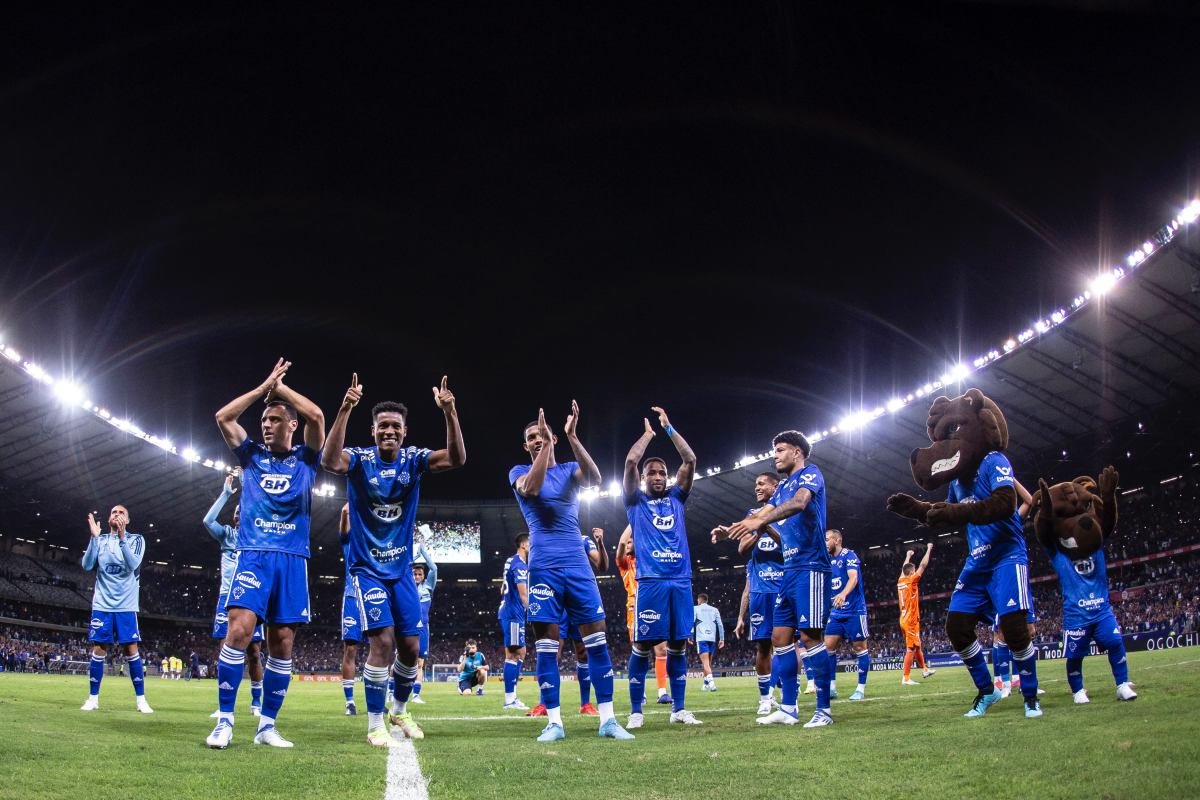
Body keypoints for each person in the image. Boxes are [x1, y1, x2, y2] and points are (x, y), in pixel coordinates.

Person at [321, 373, 465, 747]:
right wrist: (345, 408)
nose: (389, 431)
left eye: (395, 426)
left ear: (404, 431)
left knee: (412, 648)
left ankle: (399, 709)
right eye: (382, 425)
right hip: (367, 569)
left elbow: (456, 458)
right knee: (381, 642)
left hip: (401, 571)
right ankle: (373, 723)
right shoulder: (360, 460)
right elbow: (329, 460)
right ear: (373, 430)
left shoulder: (414, 460)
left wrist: (450, 412)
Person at [206, 358, 325, 749]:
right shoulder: (251, 456)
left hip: (292, 559)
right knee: (238, 630)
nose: (266, 425)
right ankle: (224, 721)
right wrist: (263, 388)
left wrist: (282, 392)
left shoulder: (307, 460)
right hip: (254, 553)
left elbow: (318, 416)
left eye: (274, 420)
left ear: (291, 425)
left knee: (283, 644)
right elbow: (224, 417)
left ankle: (267, 726)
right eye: (264, 421)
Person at [509, 402, 634, 741]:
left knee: (597, 642)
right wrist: (547, 446)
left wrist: (572, 436)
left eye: (542, 435)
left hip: (578, 568)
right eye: (532, 437)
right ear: (526, 445)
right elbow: (531, 489)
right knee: (547, 646)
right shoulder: (519, 471)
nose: (538, 439)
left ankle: (607, 720)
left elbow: (595, 478)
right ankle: (554, 723)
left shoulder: (568, 471)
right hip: (544, 569)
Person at [723, 430, 833, 728]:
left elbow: (799, 504)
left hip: (811, 566)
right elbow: (763, 512)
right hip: (789, 570)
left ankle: (823, 710)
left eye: (780, 450)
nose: (775, 455)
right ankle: (788, 708)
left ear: (796, 452)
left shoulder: (810, 474)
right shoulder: (782, 487)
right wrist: (737, 526)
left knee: (810, 638)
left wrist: (759, 520)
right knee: (779, 638)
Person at [621, 408, 702, 729]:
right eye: (651, 472)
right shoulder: (634, 503)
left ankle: (679, 709)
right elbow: (629, 462)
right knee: (642, 646)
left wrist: (668, 428)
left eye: (661, 472)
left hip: (681, 581)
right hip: (651, 581)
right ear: (643, 479)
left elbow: (690, 460)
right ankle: (636, 712)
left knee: (679, 644)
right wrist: (648, 435)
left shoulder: (677, 498)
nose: (657, 476)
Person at [1034, 469, 1136, 704]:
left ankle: (1122, 684)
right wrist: (1046, 512)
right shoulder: (1059, 553)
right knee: (1075, 655)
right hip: (1076, 615)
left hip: (1101, 610)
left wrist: (1108, 499)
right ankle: (1078, 691)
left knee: (1115, 643)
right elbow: (1045, 534)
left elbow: (1107, 524)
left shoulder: (1096, 544)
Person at [526, 529, 607, 718]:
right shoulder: (546, 538)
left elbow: (601, 564)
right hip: (556, 602)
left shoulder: (583, 540)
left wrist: (601, 543)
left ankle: (585, 703)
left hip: (578, 599)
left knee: (583, 652)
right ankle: (545, 704)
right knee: (552, 652)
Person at [80, 505, 153, 714]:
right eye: (114, 512)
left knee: (131, 650)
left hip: (126, 606)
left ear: (127, 520)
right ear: (109, 518)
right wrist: (93, 538)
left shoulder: (136, 539)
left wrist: (122, 538)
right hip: (102, 604)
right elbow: (86, 566)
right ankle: (93, 699)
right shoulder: (100, 540)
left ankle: (141, 701)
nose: (117, 515)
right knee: (99, 650)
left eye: (121, 513)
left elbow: (133, 564)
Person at [203, 471, 265, 717]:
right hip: (227, 599)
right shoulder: (227, 534)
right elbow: (208, 521)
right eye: (236, 511)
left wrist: (250, 486)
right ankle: (224, 706)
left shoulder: (258, 536)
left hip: (251, 599)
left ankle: (256, 702)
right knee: (226, 650)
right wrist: (225, 494)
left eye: (242, 510)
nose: (238, 514)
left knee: (254, 653)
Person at [722, 471, 784, 715]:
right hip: (760, 591)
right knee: (763, 647)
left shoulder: (786, 512)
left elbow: (787, 544)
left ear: (774, 486)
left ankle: (790, 695)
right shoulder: (751, 515)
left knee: (788, 644)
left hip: (784, 588)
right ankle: (765, 698)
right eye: (755, 484)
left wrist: (765, 524)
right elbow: (741, 547)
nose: (756, 488)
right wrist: (758, 526)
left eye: (761, 484)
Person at [616, 526, 671, 706]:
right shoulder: (624, 563)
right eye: (630, 542)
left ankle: (662, 692)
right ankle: (642, 693)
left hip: (654, 604)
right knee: (640, 651)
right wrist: (634, 522)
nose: (630, 543)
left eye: (634, 541)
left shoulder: (647, 559)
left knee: (662, 649)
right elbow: (622, 542)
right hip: (634, 606)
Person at [824, 529, 870, 701]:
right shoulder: (827, 559)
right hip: (836, 613)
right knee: (828, 647)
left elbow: (853, 578)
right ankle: (832, 688)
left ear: (837, 540)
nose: (825, 542)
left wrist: (843, 594)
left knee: (860, 648)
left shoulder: (849, 555)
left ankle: (860, 689)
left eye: (827, 539)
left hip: (854, 611)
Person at [498, 533, 531, 710]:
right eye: (531, 543)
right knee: (513, 654)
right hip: (513, 613)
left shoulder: (510, 561)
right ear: (524, 545)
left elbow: (502, 587)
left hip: (510, 610)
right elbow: (523, 593)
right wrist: (533, 612)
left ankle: (513, 697)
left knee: (521, 652)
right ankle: (510, 700)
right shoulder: (520, 565)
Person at [897, 544, 936, 685]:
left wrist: (908, 555)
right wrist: (929, 549)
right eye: (913, 571)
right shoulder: (911, 580)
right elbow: (923, 565)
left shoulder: (901, 580)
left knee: (917, 646)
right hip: (910, 620)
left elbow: (903, 568)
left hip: (904, 618)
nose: (915, 572)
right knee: (911, 648)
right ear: (911, 572)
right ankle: (905, 678)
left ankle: (925, 669)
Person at [338, 503, 361, 715]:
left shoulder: (374, 538)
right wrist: (348, 509)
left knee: (382, 647)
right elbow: (344, 525)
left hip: (374, 597)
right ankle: (350, 701)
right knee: (351, 648)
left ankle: (378, 697)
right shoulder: (350, 542)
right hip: (353, 597)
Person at [409, 534, 438, 704]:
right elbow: (404, 567)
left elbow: (433, 568)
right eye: (415, 574)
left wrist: (423, 552)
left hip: (424, 627)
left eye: (420, 574)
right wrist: (415, 556)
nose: (417, 576)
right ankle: (391, 691)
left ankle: (416, 695)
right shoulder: (407, 585)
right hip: (407, 626)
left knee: (420, 663)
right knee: (401, 660)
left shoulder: (428, 586)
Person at [691, 594, 724, 692]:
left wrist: (690, 634)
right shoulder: (715, 610)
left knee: (705, 663)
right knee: (708, 663)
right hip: (712, 639)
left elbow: (692, 621)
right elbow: (720, 624)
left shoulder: (696, 608)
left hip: (702, 638)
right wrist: (722, 639)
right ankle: (705, 685)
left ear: (700, 600)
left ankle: (712, 684)